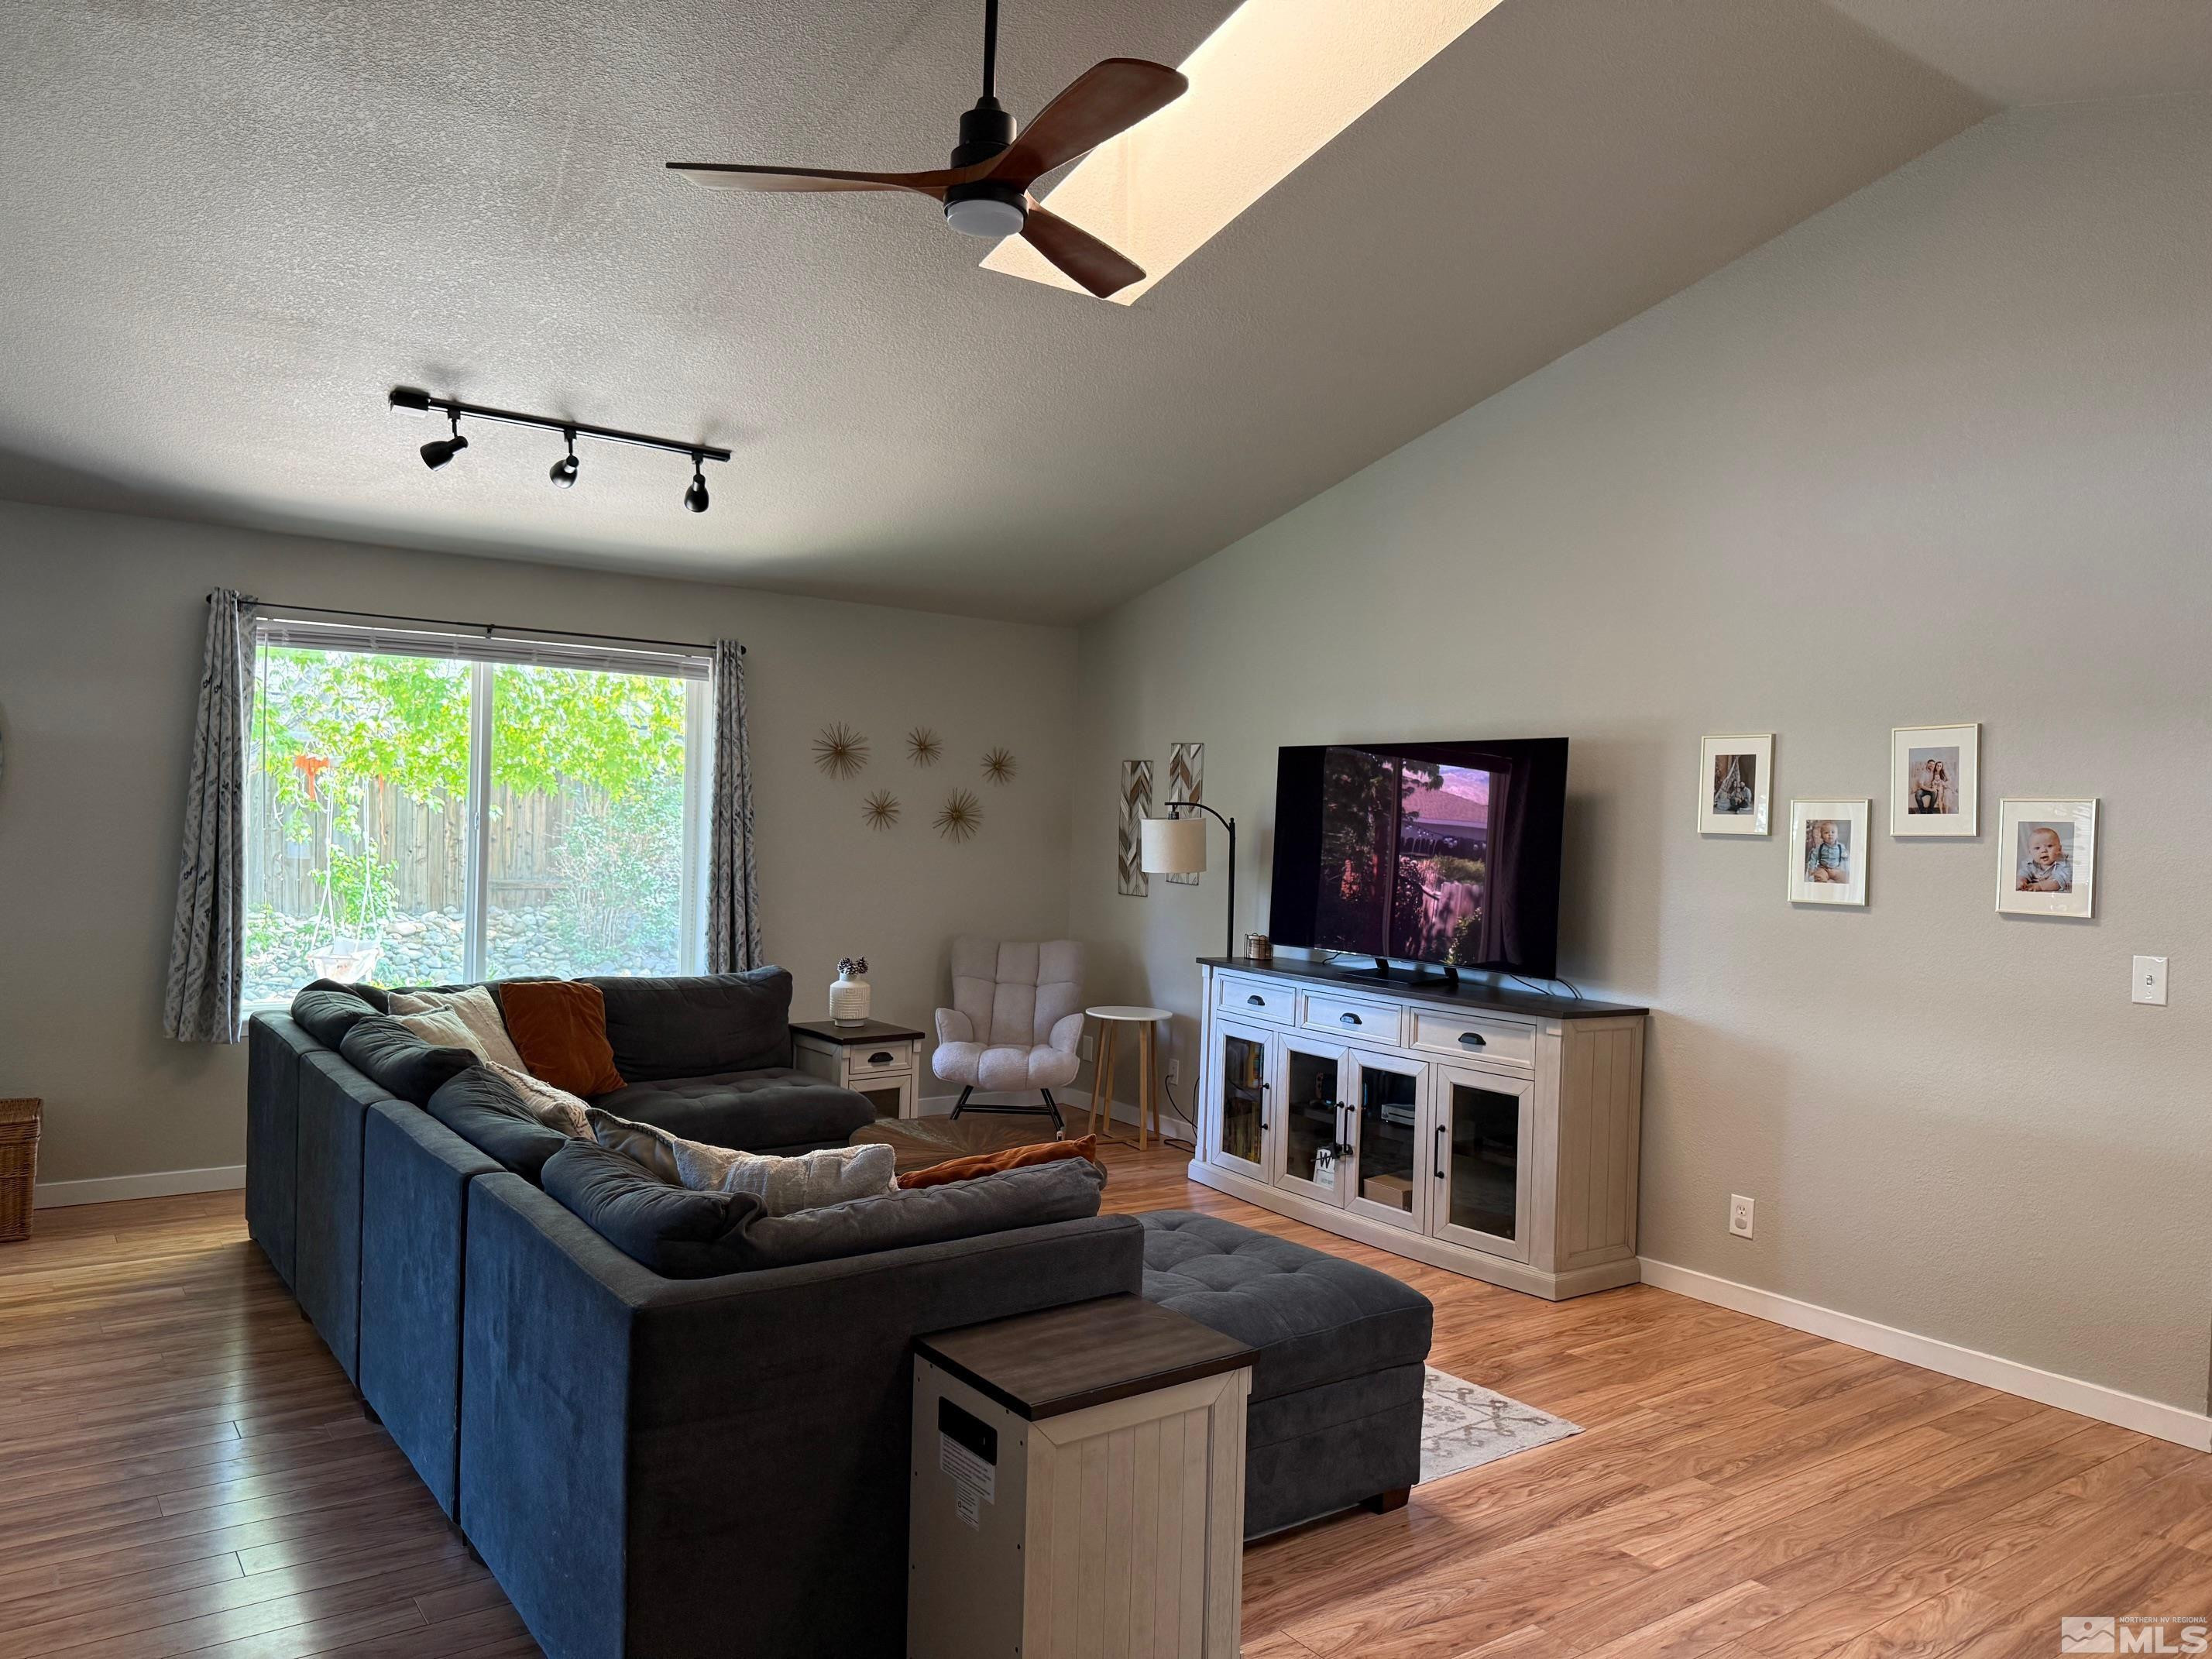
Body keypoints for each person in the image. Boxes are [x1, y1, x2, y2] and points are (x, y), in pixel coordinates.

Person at [2017, 825, 2072, 891]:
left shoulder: (2063, 864)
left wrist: (2039, 886)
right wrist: (2021, 880)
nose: (2043, 851)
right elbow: (2024, 873)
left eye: (2049, 846)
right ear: (2030, 852)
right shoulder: (2030, 863)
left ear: (2059, 849)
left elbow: (2058, 882)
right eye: (2037, 848)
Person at [1806, 820, 1850, 884]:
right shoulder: (1819, 848)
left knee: (1845, 878)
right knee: (1819, 877)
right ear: (1822, 836)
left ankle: (1833, 883)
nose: (1830, 834)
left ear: (1837, 835)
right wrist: (1811, 870)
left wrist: (1846, 855)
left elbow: (1846, 857)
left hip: (1836, 869)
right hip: (1824, 869)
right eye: (1826, 833)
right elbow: (1813, 859)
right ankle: (1825, 883)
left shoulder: (1841, 847)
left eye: (1833, 832)